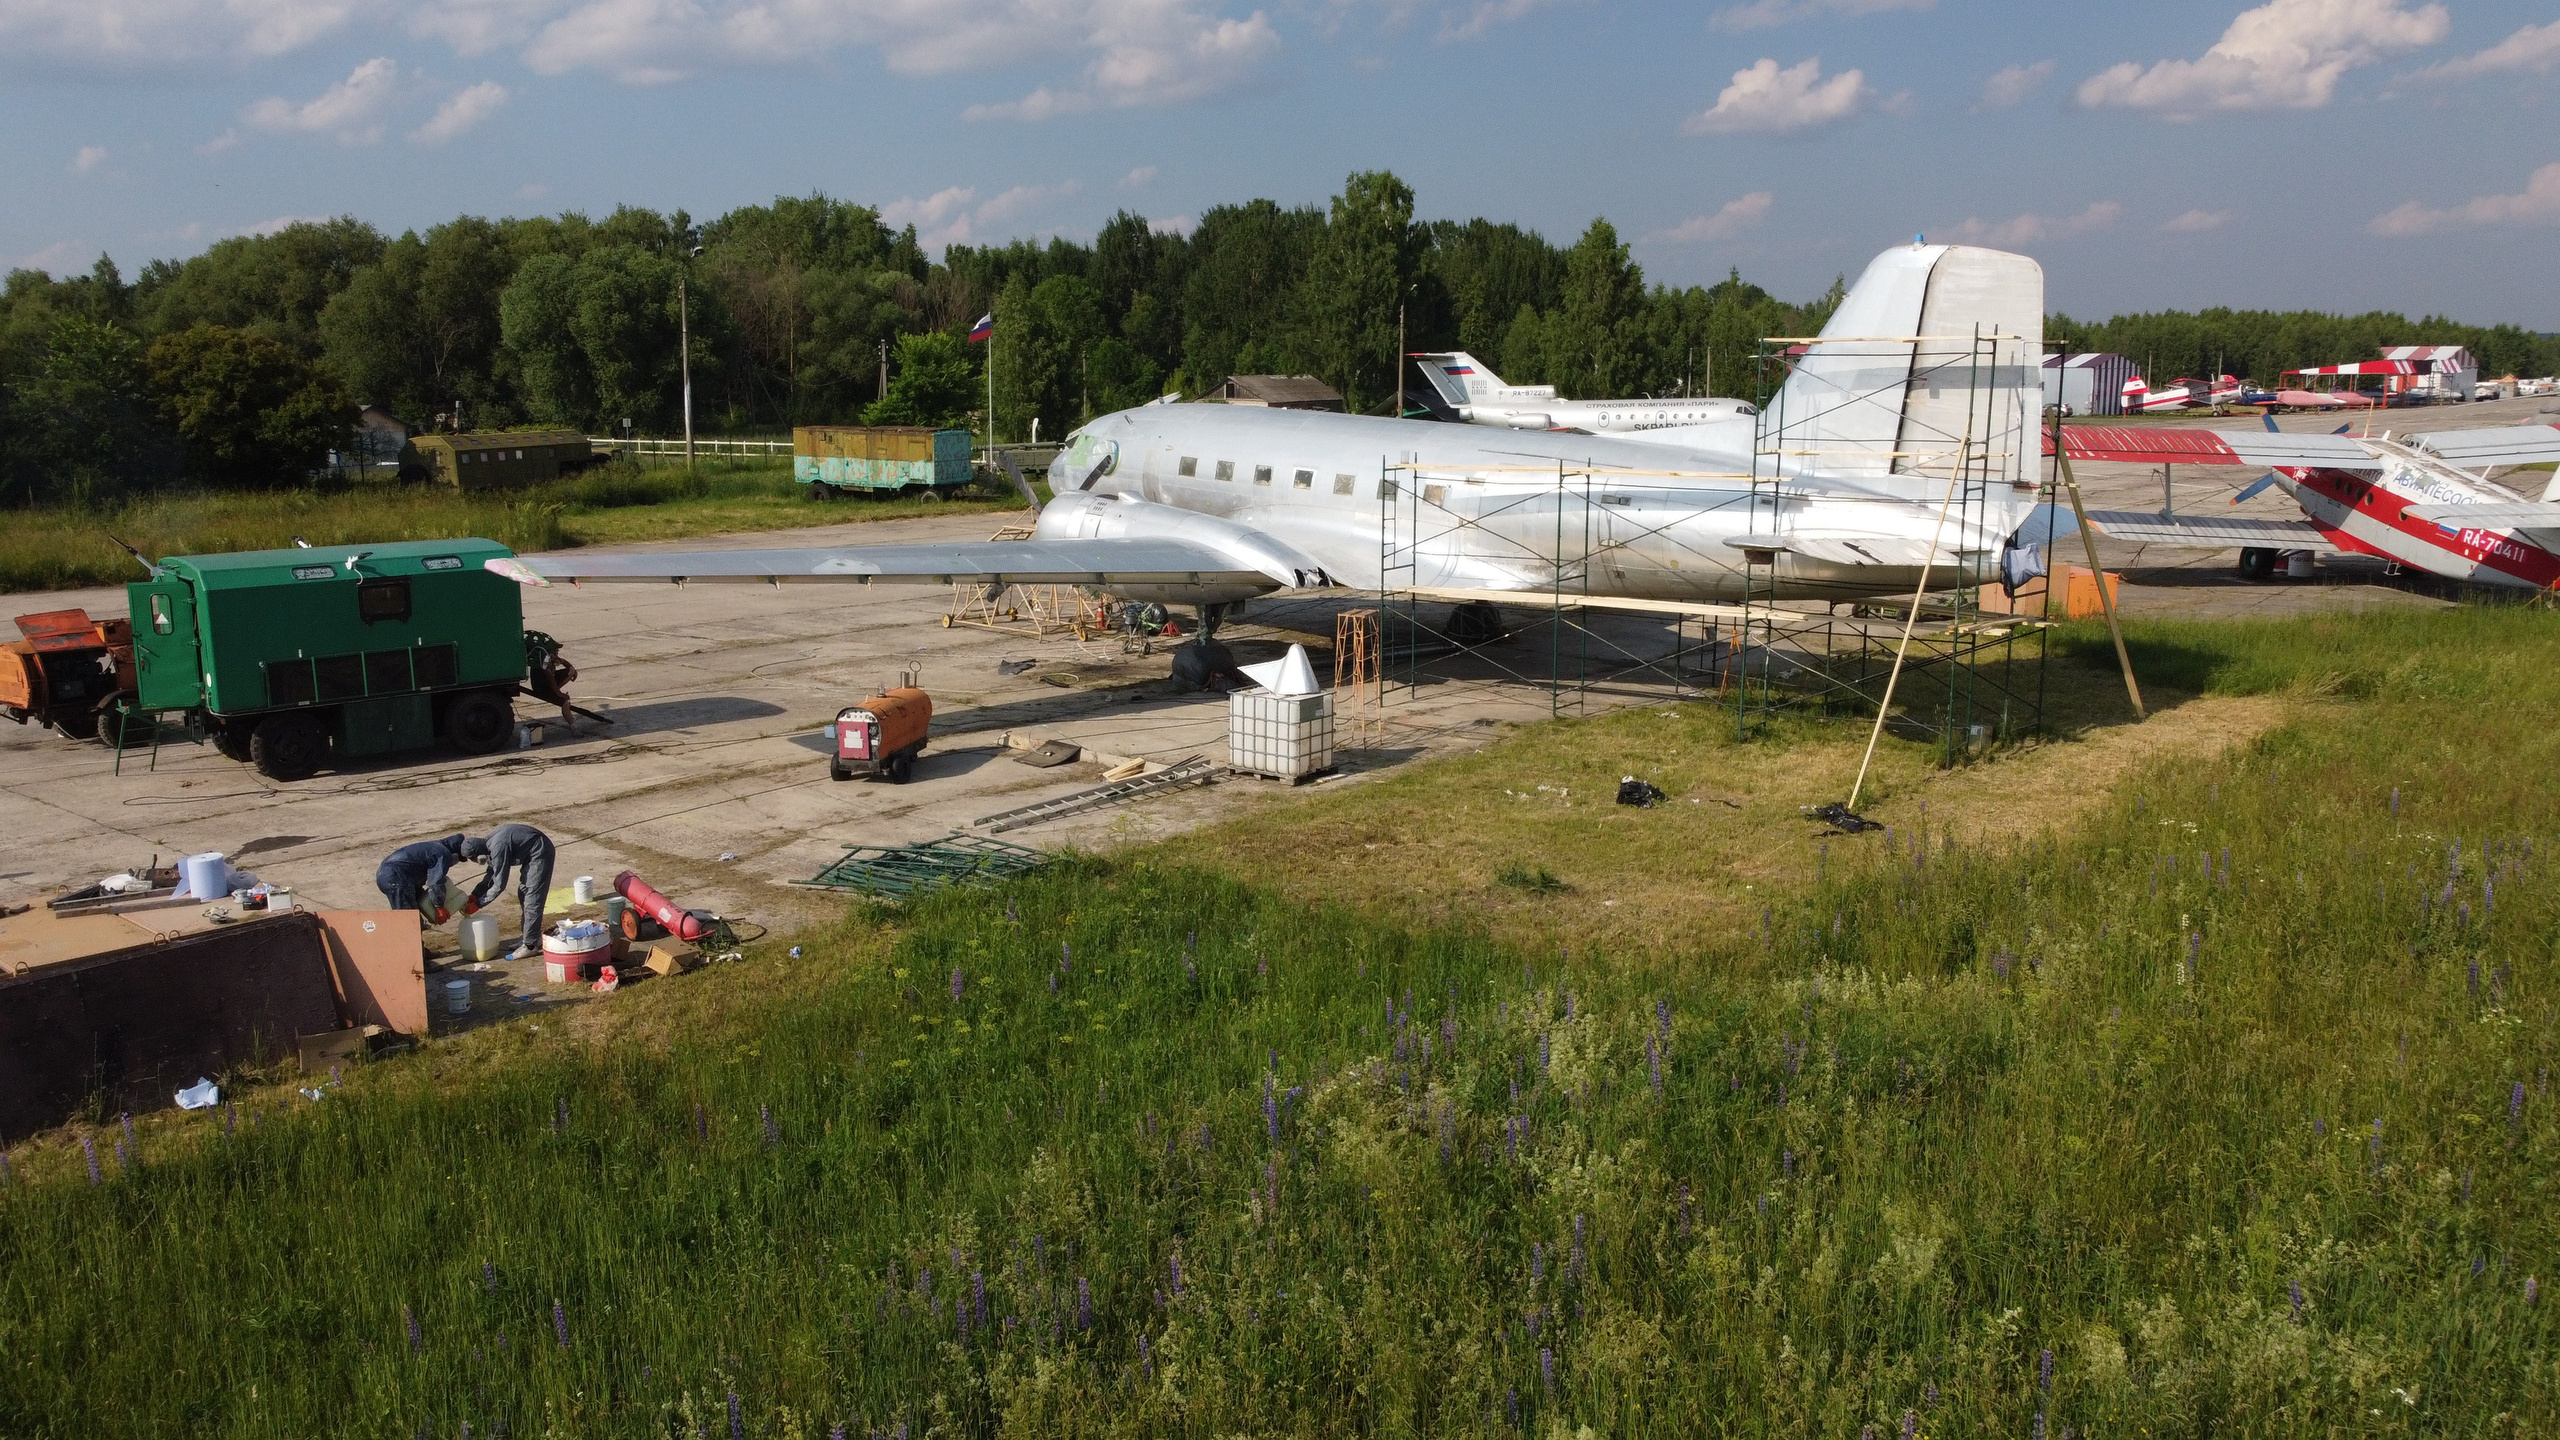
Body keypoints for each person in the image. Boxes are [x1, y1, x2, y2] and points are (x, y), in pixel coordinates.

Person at [464, 823, 556, 961]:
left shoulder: (498, 846)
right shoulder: (488, 846)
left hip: (540, 852)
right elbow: (491, 874)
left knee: (532, 898)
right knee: (523, 893)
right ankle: (531, 937)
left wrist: (478, 904)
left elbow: (499, 884)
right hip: (530, 854)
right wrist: (475, 894)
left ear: (479, 854)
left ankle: (530, 946)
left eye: (474, 858)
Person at [376, 835, 474, 921]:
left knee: (411, 915)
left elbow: (414, 871)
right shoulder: (443, 853)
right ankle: (410, 940)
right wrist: (439, 907)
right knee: (407, 919)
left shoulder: (434, 847)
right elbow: (435, 883)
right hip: (395, 877)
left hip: (388, 875)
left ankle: (417, 934)